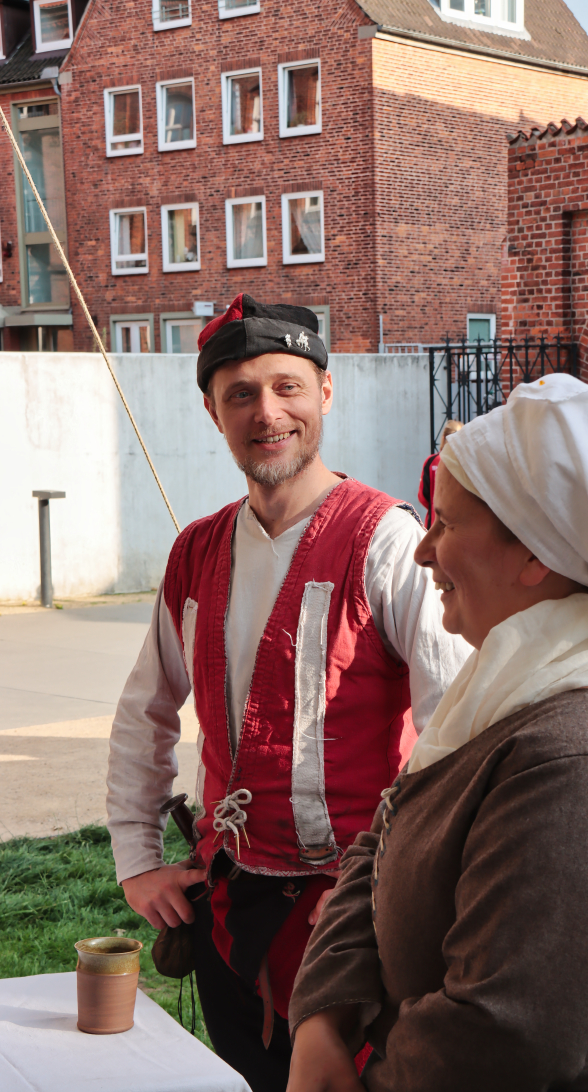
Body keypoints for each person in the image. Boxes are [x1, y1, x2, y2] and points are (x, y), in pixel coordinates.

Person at [287, 373, 588, 1092]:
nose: (423, 551)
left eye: (446, 524)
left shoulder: (587, 768)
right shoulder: (527, 678)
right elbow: (389, 831)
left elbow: (496, 1041)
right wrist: (324, 1016)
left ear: (535, 553)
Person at [106, 293, 469, 1092]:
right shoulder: (195, 551)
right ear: (212, 411)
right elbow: (146, 711)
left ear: (325, 392)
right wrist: (137, 860)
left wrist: (424, 899)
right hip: (227, 910)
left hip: (357, 919)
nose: (266, 412)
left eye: (286, 386)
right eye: (240, 393)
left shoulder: (386, 541)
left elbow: (455, 731)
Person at [417, 419, 463, 528]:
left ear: (443, 438)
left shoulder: (431, 461)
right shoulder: (465, 462)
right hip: (459, 525)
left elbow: (423, 496)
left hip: (434, 525)